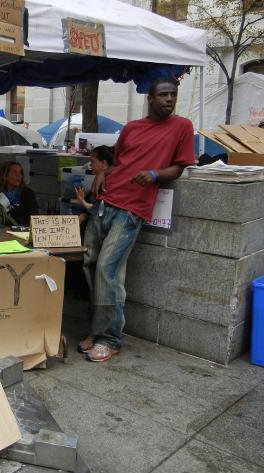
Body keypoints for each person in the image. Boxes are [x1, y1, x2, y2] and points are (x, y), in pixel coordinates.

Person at [80, 77, 195, 362]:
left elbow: (178, 168)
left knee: (108, 269)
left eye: (173, 95)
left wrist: (156, 174)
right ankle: (98, 328)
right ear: (151, 98)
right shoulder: (132, 127)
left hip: (132, 210)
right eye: (163, 94)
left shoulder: (182, 127)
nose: (169, 99)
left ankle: (111, 338)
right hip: (105, 202)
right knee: (89, 263)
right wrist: (102, 172)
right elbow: (120, 161)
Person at [0, 161, 38, 227]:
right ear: (5, 175)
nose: (19, 175)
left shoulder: (27, 193)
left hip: (20, 233)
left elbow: (34, 218)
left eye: (20, 172)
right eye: (14, 172)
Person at [74, 145, 114, 224]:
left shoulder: (107, 185)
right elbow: (87, 212)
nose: (90, 165)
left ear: (103, 163)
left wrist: (83, 202)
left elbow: (100, 210)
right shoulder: (96, 183)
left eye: (92, 162)